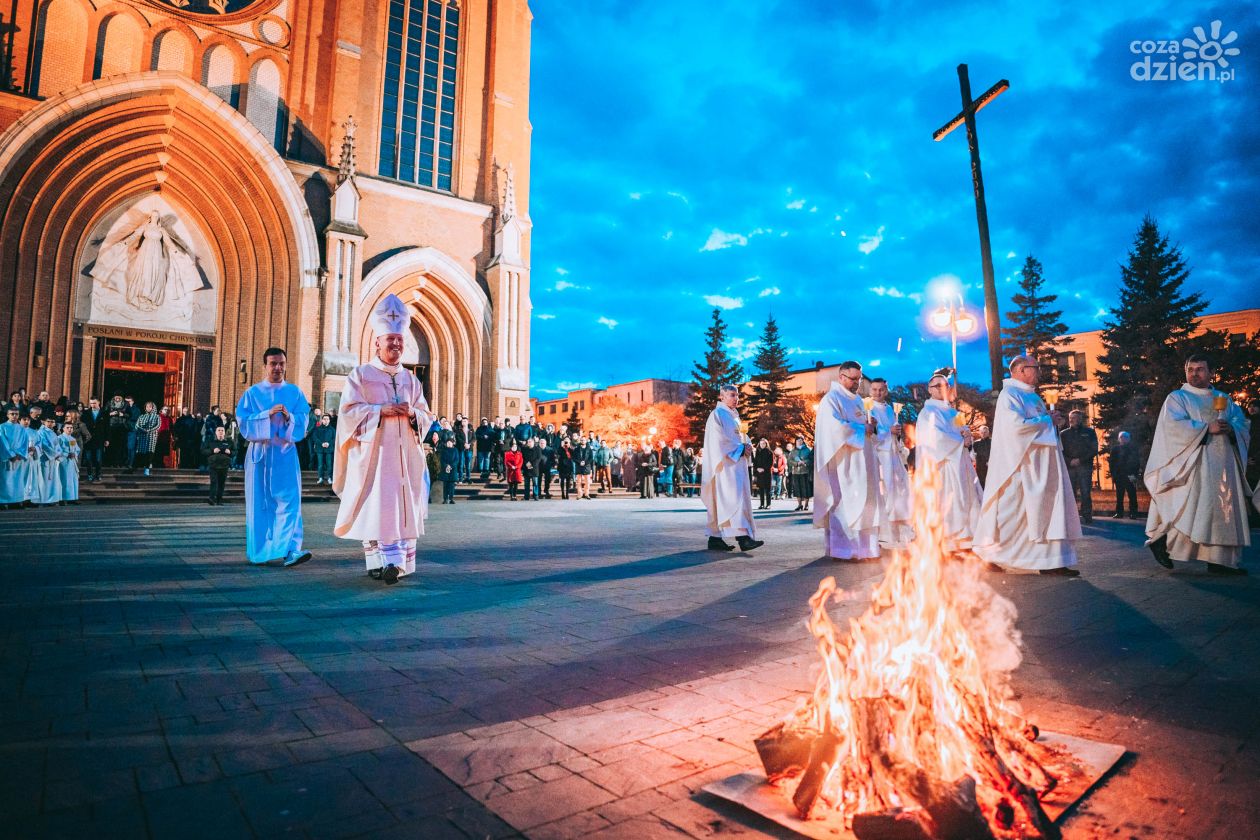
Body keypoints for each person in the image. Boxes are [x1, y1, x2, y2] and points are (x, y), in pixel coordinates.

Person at [333, 294, 434, 584]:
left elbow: (427, 415)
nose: (396, 345)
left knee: (400, 504)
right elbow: (348, 412)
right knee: (378, 504)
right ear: (377, 342)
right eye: (390, 339)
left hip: (406, 458)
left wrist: (413, 414)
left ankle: (393, 563)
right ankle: (383, 561)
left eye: (400, 340)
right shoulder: (360, 376)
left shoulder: (411, 380)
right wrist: (381, 411)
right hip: (375, 457)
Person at [1145, 354, 1253, 575]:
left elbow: (1242, 423)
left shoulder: (1224, 397)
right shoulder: (1178, 397)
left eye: (1200, 369)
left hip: (1223, 464)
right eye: (1190, 369)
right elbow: (1172, 427)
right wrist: (1206, 428)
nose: (1195, 374)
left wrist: (1232, 428)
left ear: (1211, 372)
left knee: (1222, 511)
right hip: (1194, 464)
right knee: (1192, 508)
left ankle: (1219, 561)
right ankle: (1162, 541)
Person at [974, 356, 1081, 577]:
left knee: (1048, 510)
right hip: (1022, 466)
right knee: (1014, 514)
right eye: (1036, 368)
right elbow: (1015, 428)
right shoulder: (1009, 395)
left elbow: (1041, 424)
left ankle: (1052, 560)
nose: (1039, 372)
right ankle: (992, 555)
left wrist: (1053, 421)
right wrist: (1045, 421)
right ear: (1022, 370)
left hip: (1044, 465)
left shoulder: (1032, 395)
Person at [236, 347, 313, 568]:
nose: (278, 368)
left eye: (281, 363)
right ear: (265, 365)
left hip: (285, 454)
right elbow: (243, 422)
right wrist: (265, 415)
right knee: (259, 504)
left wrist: (290, 418)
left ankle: (291, 550)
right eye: (273, 363)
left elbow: (303, 421)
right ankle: (260, 551)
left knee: (290, 502)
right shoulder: (252, 393)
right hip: (260, 455)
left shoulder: (295, 393)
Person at [814, 362, 880, 561]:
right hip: (843, 463)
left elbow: (866, 428)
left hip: (863, 461)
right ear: (841, 377)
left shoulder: (859, 400)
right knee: (844, 503)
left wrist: (871, 426)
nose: (858, 383)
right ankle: (843, 550)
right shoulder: (831, 399)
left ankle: (865, 549)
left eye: (859, 379)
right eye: (854, 379)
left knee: (864, 502)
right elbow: (833, 429)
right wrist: (861, 430)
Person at [915, 375, 983, 553]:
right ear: (929, 389)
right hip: (943, 467)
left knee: (969, 499)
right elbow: (935, 439)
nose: (941, 388)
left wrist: (968, 436)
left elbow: (963, 432)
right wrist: (960, 442)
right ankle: (948, 543)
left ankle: (968, 541)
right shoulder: (927, 413)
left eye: (945, 385)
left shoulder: (953, 412)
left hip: (961, 464)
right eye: (937, 386)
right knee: (949, 503)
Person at [702, 384, 762, 551]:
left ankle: (714, 539)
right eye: (732, 395)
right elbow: (718, 441)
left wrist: (748, 445)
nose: (736, 399)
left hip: (737, 465)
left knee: (734, 499)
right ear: (722, 397)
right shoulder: (717, 415)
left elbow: (744, 437)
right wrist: (740, 448)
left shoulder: (735, 416)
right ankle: (743, 539)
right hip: (725, 467)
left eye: (737, 395)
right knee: (733, 500)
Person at [869, 378, 913, 549]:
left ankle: (900, 530)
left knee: (901, 491)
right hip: (881, 456)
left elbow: (893, 432)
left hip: (893, 455)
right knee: (885, 491)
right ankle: (884, 532)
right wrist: (888, 431)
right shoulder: (868, 408)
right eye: (874, 389)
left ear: (886, 390)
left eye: (881, 390)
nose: (878, 393)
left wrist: (897, 433)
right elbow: (871, 435)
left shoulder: (889, 409)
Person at [1060, 409, 1099, 524]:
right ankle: (1071, 516)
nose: (1072, 420)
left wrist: (1080, 460)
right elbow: (1060, 451)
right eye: (1071, 418)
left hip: (1085, 467)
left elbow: (1094, 450)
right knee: (1070, 492)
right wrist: (1069, 461)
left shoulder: (1090, 432)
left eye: (1075, 418)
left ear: (1080, 419)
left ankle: (1087, 515)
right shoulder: (1064, 434)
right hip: (1070, 467)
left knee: (1085, 492)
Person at [1, 406, 31, 509]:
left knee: (18, 480)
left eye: (16, 414)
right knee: (5, 480)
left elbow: (25, 443)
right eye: (12, 414)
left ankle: (16, 501)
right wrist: (11, 455)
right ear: (7, 415)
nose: (14, 416)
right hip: (7, 458)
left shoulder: (22, 428)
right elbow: (2, 442)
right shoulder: (2, 427)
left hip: (19, 458)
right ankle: (3, 501)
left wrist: (19, 454)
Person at [1106, 430, 1141, 519]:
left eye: (1126, 437)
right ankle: (1119, 513)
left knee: (1132, 495)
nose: (1123, 439)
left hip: (1131, 475)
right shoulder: (1115, 449)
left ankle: (1133, 513)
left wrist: (1135, 474)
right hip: (1119, 476)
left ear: (1129, 439)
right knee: (1119, 495)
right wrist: (1114, 475)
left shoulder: (1133, 449)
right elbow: (1112, 463)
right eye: (1121, 437)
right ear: (1119, 439)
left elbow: (1137, 462)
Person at [31, 416, 61, 506]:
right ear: (43, 421)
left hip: (53, 459)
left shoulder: (53, 433)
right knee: (43, 479)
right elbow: (43, 445)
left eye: (52, 421)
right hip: (44, 458)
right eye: (48, 421)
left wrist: (58, 454)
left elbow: (57, 445)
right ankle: (43, 499)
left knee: (51, 479)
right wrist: (54, 454)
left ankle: (50, 499)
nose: (50, 423)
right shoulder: (41, 432)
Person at [203, 425, 234, 506]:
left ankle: (219, 500)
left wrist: (230, 452)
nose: (220, 432)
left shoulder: (229, 442)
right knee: (214, 482)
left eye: (222, 430)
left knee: (221, 483)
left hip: (224, 465)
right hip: (213, 465)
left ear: (224, 432)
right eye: (219, 430)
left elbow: (235, 452)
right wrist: (212, 451)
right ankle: (211, 498)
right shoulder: (210, 441)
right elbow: (203, 451)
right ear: (216, 432)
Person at [81, 398, 107, 482]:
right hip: (88, 440)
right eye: (91, 403)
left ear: (99, 403)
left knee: (98, 459)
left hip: (99, 439)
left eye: (94, 403)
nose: (93, 405)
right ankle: (89, 475)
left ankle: (98, 474)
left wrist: (107, 439)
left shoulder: (104, 413)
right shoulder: (86, 413)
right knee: (88, 459)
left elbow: (108, 427)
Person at [133, 402, 161, 476]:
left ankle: (147, 468)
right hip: (142, 436)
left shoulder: (157, 416)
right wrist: (142, 430)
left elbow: (158, 425)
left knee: (149, 452)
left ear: (153, 407)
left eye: (150, 407)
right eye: (147, 407)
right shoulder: (142, 416)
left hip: (151, 436)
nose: (148, 408)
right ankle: (138, 467)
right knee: (141, 452)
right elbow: (137, 425)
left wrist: (149, 430)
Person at [788, 435, 813, 512]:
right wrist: (797, 463)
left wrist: (804, 462)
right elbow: (789, 461)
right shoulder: (793, 451)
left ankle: (806, 504)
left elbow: (811, 459)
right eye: (797, 441)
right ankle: (799, 505)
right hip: (796, 472)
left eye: (800, 441)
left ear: (803, 441)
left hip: (805, 471)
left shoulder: (807, 450)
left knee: (806, 488)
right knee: (797, 489)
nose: (799, 442)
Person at [57, 422, 80, 505]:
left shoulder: (72, 439)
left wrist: (74, 454)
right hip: (64, 461)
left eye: (71, 428)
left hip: (71, 461)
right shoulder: (60, 438)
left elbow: (77, 449)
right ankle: (63, 498)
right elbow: (58, 450)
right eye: (68, 427)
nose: (70, 429)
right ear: (63, 428)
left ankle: (72, 498)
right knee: (64, 479)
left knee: (73, 479)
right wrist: (67, 454)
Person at [310, 413, 335, 484]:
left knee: (329, 464)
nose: (326, 420)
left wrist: (328, 443)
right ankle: (320, 478)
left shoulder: (332, 429)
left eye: (327, 419)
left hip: (329, 449)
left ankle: (329, 478)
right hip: (319, 449)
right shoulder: (317, 429)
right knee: (320, 464)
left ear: (329, 420)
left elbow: (334, 438)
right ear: (322, 420)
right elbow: (315, 437)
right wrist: (321, 443)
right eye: (324, 419)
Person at [753, 438, 773, 510]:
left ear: (766, 444)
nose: (762, 445)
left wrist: (764, 469)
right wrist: (757, 469)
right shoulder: (758, 452)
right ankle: (761, 504)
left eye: (764, 443)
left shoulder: (769, 452)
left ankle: (768, 504)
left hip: (767, 473)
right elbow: (755, 462)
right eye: (761, 443)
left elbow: (770, 463)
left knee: (767, 489)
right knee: (761, 490)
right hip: (759, 473)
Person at [440, 437, 460, 504]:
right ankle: (445, 499)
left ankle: (451, 498)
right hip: (445, 470)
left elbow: (456, 460)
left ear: (452, 443)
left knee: (451, 486)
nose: (449, 444)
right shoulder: (443, 450)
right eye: (447, 442)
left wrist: (451, 466)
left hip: (453, 470)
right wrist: (446, 466)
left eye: (450, 442)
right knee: (445, 485)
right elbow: (442, 460)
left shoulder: (455, 450)